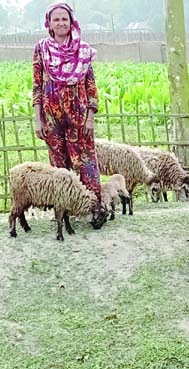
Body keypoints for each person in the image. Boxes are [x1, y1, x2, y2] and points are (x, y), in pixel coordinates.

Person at [32, 2, 107, 227]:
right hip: (52, 119)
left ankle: (96, 208)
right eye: (56, 19)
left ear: (71, 21)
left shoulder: (82, 50)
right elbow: (37, 85)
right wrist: (38, 118)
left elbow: (91, 86)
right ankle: (65, 212)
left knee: (87, 164)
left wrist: (90, 116)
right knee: (59, 167)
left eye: (65, 18)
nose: (61, 23)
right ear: (50, 24)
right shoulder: (41, 49)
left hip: (79, 118)